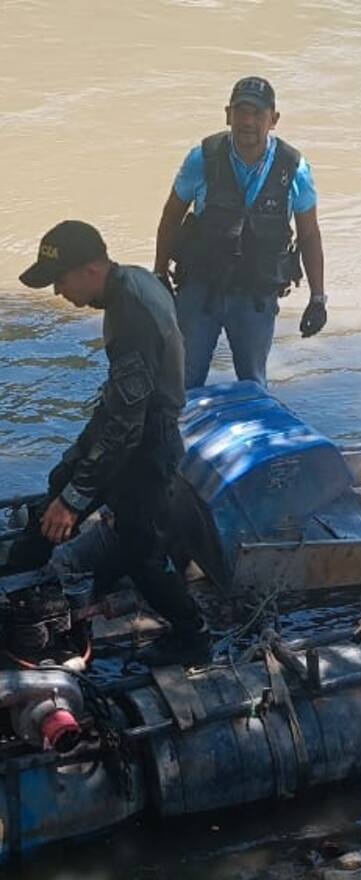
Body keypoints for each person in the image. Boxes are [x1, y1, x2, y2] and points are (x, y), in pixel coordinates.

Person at [13, 220, 211, 666]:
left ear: (89, 269)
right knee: (60, 480)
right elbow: (120, 406)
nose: (58, 292)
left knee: (140, 551)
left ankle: (194, 636)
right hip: (126, 421)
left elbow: (128, 427)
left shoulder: (132, 316)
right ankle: (26, 581)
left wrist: (77, 498)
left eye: (60, 281)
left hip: (147, 442)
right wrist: (72, 477)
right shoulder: (133, 281)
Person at [153, 76, 327, 389]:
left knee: (253, 383)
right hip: (200, 289)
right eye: (241, 111)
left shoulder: (294, 168)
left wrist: (317, 297)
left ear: (273, 120)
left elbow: (310, 234)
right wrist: (159, 274)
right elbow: (171, 215)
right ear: (227, 114)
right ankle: (174, 435)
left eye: (257, 114)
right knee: (182, 381)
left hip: (256, 295)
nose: (248, 121)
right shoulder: (202, 158)